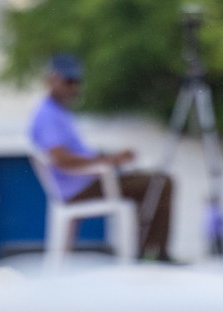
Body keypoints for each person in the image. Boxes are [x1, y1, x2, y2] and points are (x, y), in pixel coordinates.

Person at [29, 54, 174, 260]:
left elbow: (77, 155)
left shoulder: (59, 113)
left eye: (77, 82)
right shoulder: (48, 115)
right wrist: (106, 162)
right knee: (160, 182)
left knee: (151, 182)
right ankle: (153, 255)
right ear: (51, 80)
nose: (74, 88)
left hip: (89, 181)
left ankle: (146, 252)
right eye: (69, 81)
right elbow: (61, 159)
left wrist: (112, 158)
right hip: (80, 188)